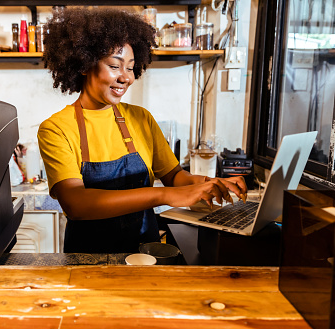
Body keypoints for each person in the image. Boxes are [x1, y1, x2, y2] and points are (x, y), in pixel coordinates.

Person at [38, 7, 247, 254]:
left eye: (130, 67)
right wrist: (162, 196)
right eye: (115, 66)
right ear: (84, 65)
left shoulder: (140, 118)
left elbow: (175, 177)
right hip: (88, 259)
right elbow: (76, 204)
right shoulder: (56, 128)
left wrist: (209, 183)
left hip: (145, 253)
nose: (126, 77)